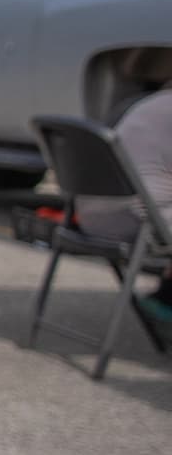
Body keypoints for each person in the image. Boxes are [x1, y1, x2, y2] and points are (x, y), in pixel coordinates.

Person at [73, 86, 172, 328]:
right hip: (137, 219)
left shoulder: (154, 102)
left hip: (92, 214)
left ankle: (166, 297)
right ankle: (167, 298)